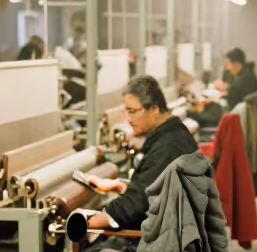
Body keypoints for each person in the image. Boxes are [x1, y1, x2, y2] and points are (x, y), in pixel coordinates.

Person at [85, 74, 199, 235]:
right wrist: (123, 186)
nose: (128, 119)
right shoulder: (172, 135)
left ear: (153, 110)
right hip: (170, 234)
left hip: (165, 245)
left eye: (132, 112)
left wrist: (88, 222)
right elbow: (150, 190)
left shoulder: (168, 147)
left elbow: (137, 204)